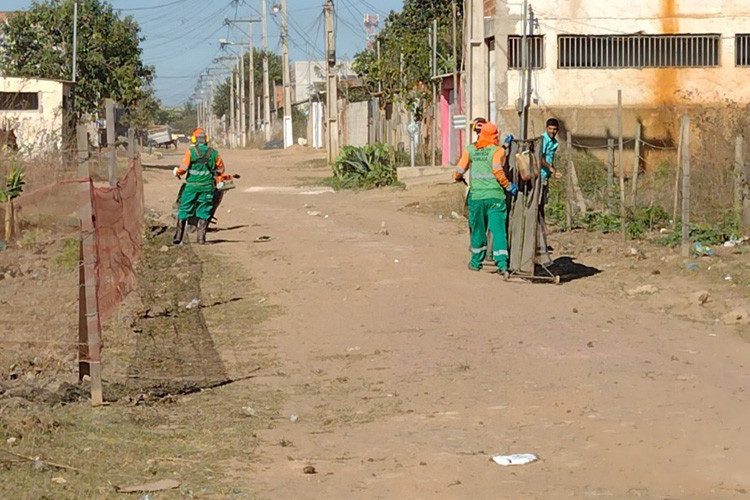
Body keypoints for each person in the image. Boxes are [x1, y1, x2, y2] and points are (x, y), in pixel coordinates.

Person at [453, 121, 518, 275]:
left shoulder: (470, 150)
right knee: (498, 230)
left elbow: (459, 171)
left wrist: (457, 177)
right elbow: (497, 170)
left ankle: (476, 262)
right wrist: (508, 186)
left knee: (477, 230)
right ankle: (502, 264)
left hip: (476, 198)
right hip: (495, 197)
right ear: (495, 135)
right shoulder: (497, 151)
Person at [172, 127, 226, 245]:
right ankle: (201, 239)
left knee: (184, 209)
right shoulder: (214, 153)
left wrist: (176, 171)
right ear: (205, 139)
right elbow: (221, 169)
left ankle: (178, 237)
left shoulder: (190, 152)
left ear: (194, 139)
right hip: (207, 187)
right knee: (204, 210)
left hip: (191, 187)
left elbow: (183, 169)